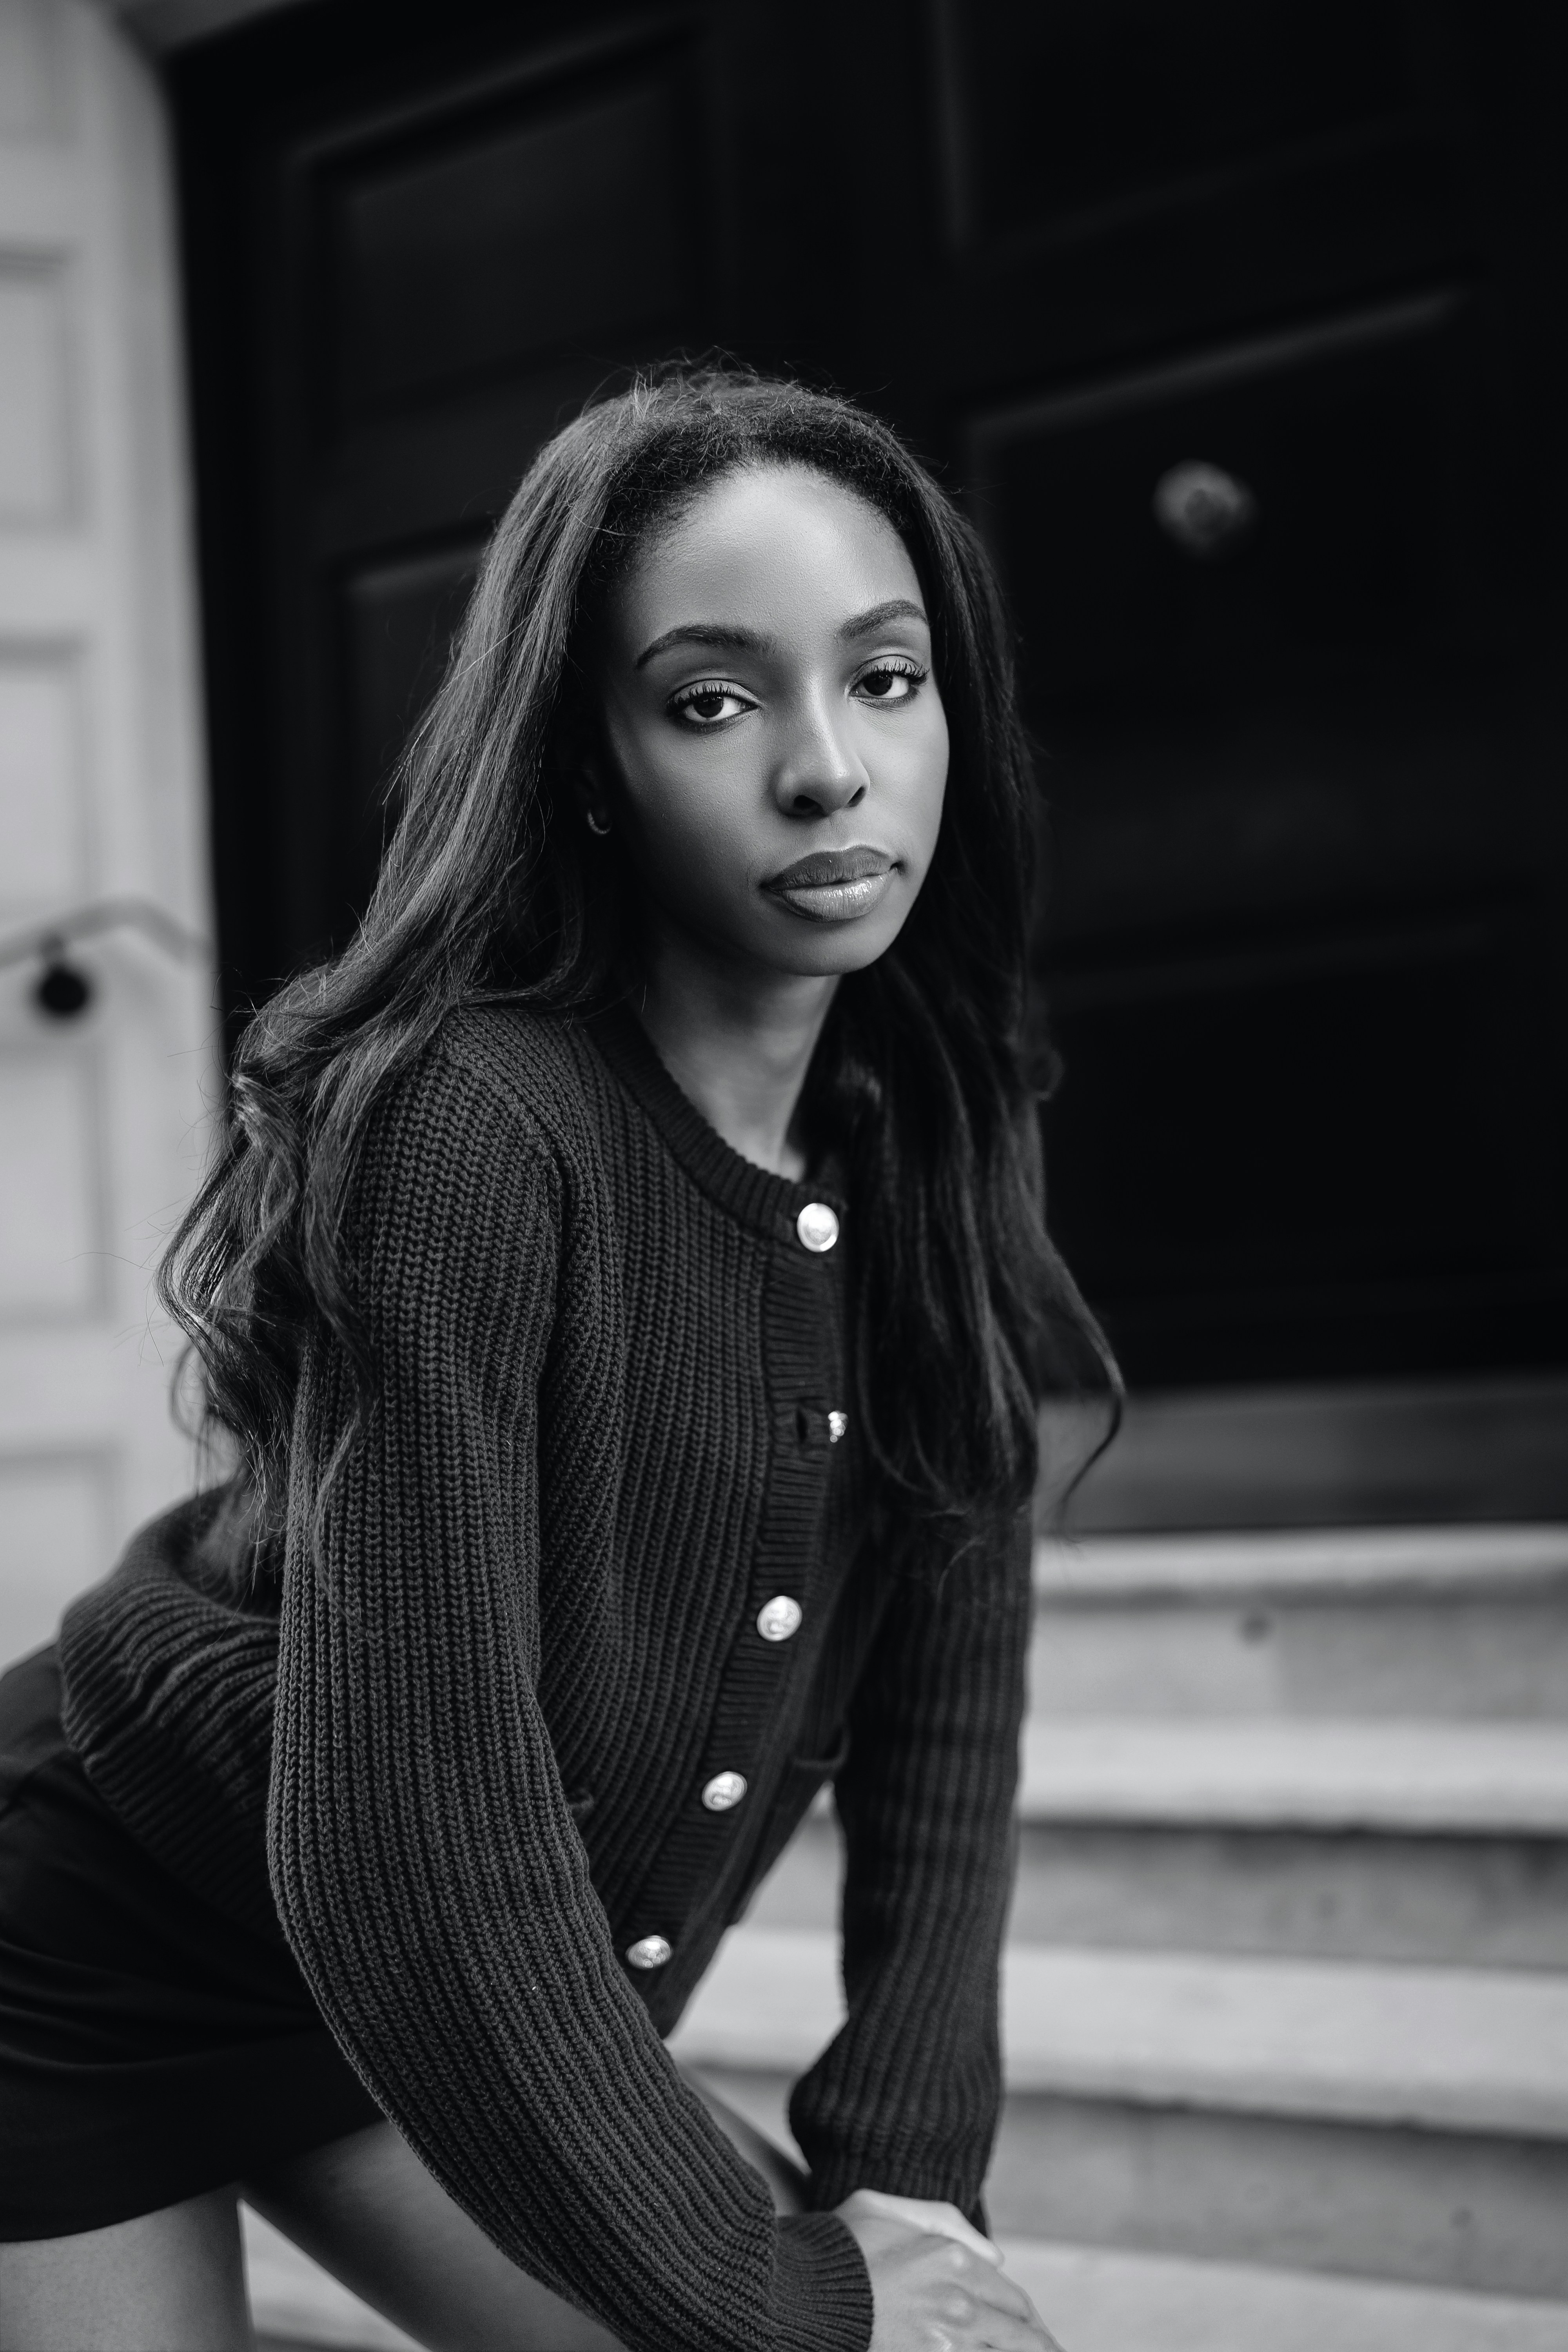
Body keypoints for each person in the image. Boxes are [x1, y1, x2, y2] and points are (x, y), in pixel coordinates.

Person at [0, 367, 1113, 2351]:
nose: (828, 772)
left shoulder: (934, 1122)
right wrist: (778, 2297)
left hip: (450, 2017)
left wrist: (900, 2171)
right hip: (89, 1957)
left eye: (883, 677)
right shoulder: (472, 1130)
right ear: (587, 757)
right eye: (712, 699)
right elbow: (410, 1845)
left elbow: (953, 1721)